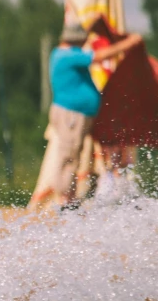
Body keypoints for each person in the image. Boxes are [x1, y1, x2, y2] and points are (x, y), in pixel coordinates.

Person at [47, 22, 142, 208]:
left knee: (77, 152)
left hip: (77, 113)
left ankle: (71, 197)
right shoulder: (67, 55)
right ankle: (66, 200)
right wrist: (128, 43)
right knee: (69, 154)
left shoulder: (65, 53)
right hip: (71, 114)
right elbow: (99, 56)